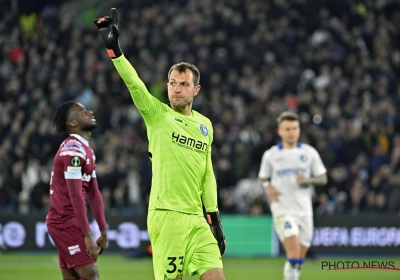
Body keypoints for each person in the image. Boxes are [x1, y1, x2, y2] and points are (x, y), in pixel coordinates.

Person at [93, 8, 225, 280]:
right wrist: (114, 51)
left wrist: (214, 219)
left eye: (184, 84)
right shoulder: (157, 115)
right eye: (172, 83)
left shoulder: (205, 126)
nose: (176, 89)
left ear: (195, 90)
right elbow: (135, 84)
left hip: (197, 220)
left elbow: (207, 174)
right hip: (166, 217)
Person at [258, 111, 327, 280]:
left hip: (304, 209)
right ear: (280, 131)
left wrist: (308, 180)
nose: (291, 132)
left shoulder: (309, 153)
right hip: (283, 208)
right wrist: (268, 186)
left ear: (299, 130)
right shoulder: (271, 155)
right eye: (287, 129)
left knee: (299, 259)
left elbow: (323, 178)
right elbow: (262, 178)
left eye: (294, 128)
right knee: (294, 252)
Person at [46, 101, 107, 280]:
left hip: (70, 221)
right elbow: (74, 195)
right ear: (73, 123)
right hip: (64, 222)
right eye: (82, 112)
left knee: (72, 277)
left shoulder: (86, 151)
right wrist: (87, 234)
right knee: (90, 274)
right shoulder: (72, 151)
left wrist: (103, 230)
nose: (89, 112)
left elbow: (94, 194)